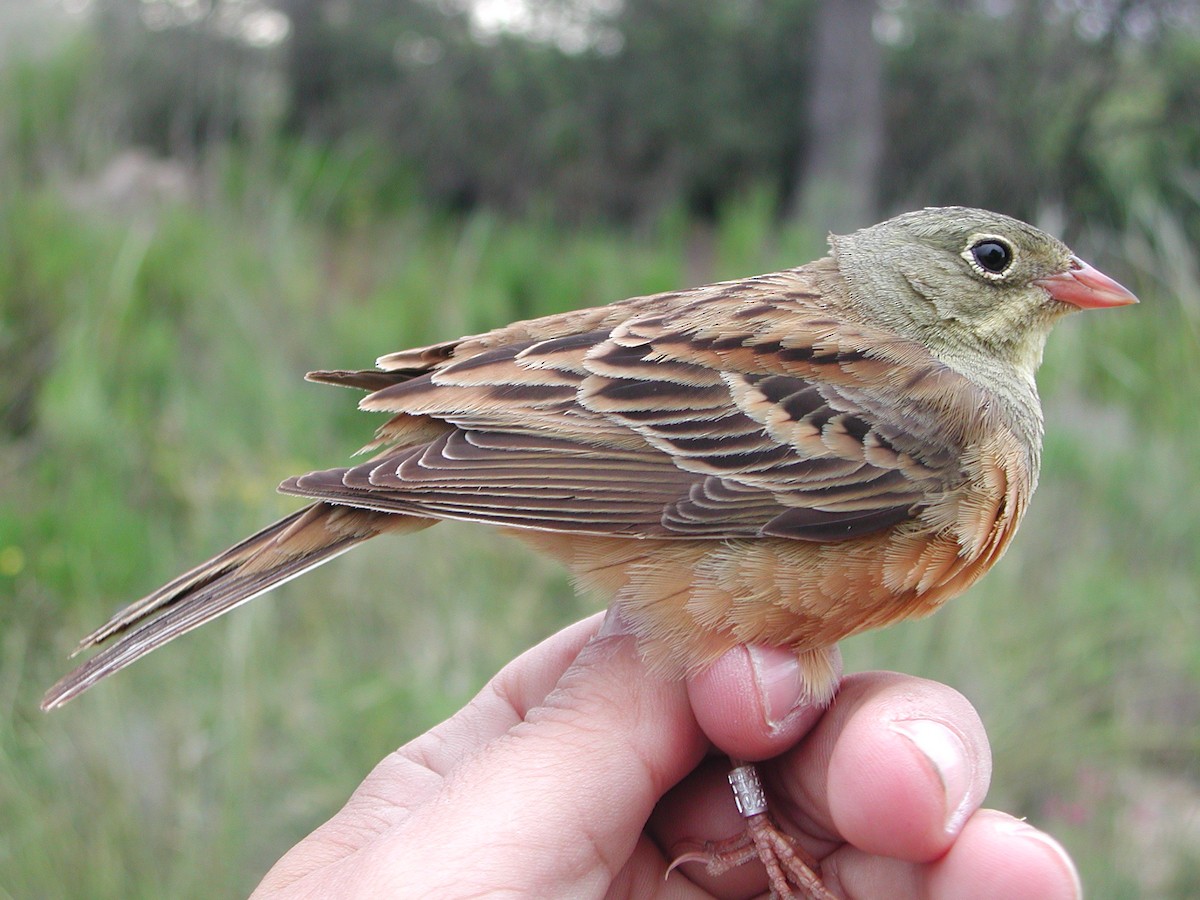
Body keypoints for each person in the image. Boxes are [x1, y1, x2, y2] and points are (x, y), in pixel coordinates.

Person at [252, 611, 1082, 899]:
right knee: (750, 692)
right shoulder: (933, 402)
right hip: (625, 486)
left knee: (763, 701)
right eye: (993, 272)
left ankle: (755, 805)